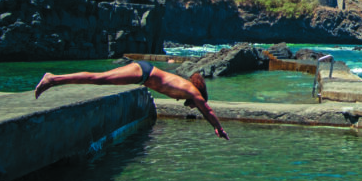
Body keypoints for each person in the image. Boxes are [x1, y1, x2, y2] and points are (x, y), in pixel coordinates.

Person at [34, 60, 229, 139]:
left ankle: (55, 79)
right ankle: (53, 79)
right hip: (142, 72)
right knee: (99, 78)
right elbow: (208, 110)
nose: (194, 106)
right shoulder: (193, 92)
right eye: (197, 104)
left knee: (100, 79)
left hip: (142, 73)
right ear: (200, 96)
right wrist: (218, 128)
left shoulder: (187, 89)